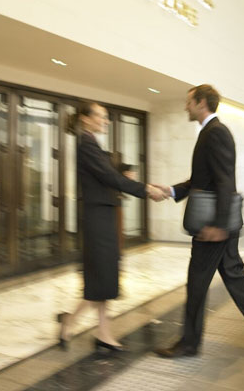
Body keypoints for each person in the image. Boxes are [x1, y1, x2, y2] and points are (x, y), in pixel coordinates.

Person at [153, 84, 244, 358]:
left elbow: (225, 181)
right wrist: (171, 191)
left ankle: (189, 343)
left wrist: (218, 226)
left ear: (201, 103)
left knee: (197, 282)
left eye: (189, 102)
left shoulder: (216, 132)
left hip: (213, 226)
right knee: (234, 276)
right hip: (220, 224)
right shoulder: (211, 132)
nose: (186, 106)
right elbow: (201, 180)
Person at [57, 101, 165, 352]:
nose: (105, 121)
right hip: (97, 218)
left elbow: (108, 175)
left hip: (103, 216)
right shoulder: (86, 145)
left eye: (106, 117)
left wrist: (125, 176)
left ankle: (97, 330)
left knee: (103, 277)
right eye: (101, 116)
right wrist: (146, 189)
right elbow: (109, 177)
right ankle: (75, 323)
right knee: (101, 277)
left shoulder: (92, 143)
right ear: (85, 118)